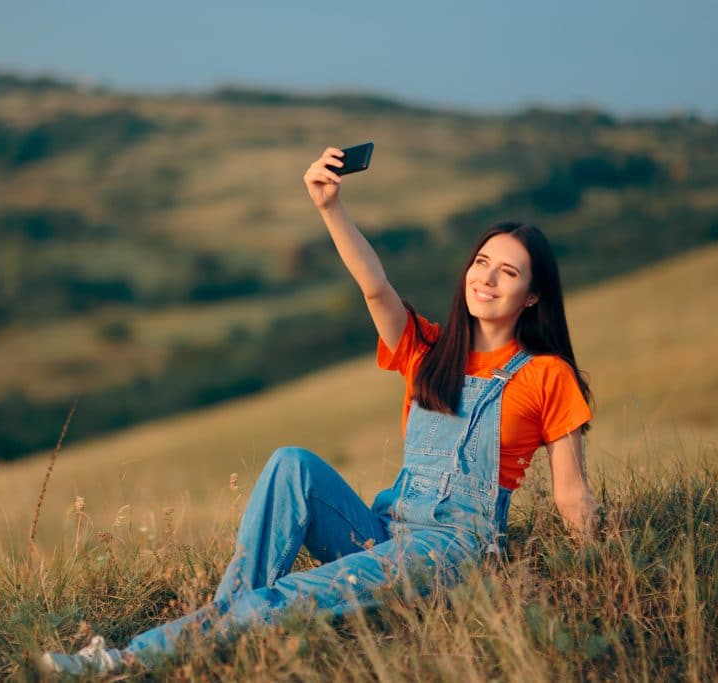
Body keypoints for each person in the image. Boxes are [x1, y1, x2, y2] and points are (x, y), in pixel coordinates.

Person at [39, 146, 600, 676]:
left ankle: (124, 661)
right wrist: (330, 207)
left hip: (453, 551)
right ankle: (217, 634)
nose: (487, 277)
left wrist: (594, 576)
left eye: (508, 271)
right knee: (291, 464)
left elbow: (569, 493)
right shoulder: (429, 351)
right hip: (386, 529)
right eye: (482, 262)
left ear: (532, 295)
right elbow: (375, 288)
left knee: (292, 596)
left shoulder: (547, 375)